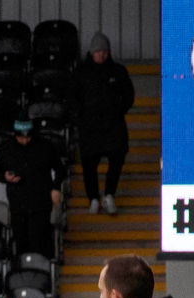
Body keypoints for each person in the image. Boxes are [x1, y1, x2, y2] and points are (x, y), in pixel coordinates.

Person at [74, 33, 134, 215]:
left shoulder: (118, 71)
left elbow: (129, 95)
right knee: (89, 164)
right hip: (90, 128)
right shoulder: (81, 72)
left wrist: (117, 111)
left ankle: (109, 195)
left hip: (113, 126)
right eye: (98, 51)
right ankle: (93, 198)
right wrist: (80, 118)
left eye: (104, 51)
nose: (101, 54)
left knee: (117, 157)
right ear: (92, 52)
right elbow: (72, 98)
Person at [0, 113, 65, 258]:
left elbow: (60, 169)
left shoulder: (45, 146)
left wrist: (55, 187)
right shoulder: (6, 147)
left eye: (28, 137)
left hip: (40, 204)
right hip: (18, 205)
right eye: (21, 137)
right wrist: (6, 177)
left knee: (39, 245)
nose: (25, 140)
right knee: (21, 245)